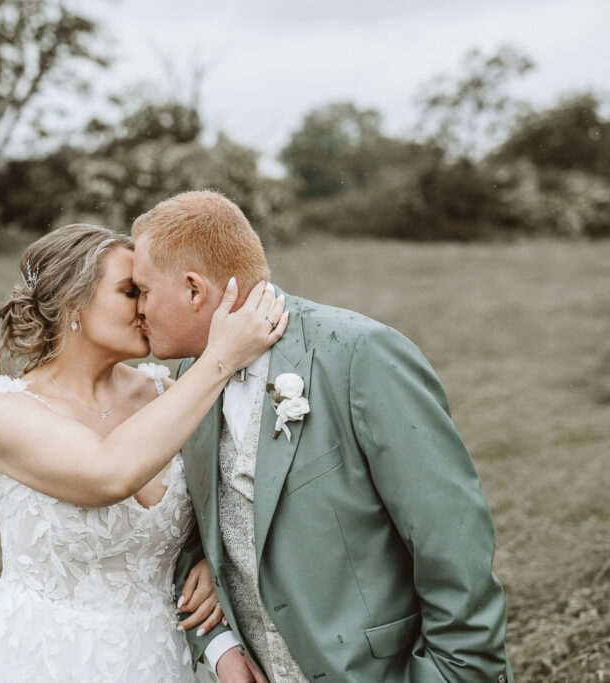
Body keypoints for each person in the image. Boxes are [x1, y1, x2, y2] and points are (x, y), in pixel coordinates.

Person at [130, 190, 513, 683]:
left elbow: (451, 539)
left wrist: (453, 674)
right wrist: (221, 647)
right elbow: (185, 532)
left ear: (193, 290)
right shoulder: (191, 377)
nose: (138, 309)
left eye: (142, 290)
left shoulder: (359, 356)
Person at [0, 223, 289, 682]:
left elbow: (230, 499)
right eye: (131, 291)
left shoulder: (168, 395)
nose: (148, 307)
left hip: (161, 658)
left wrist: (214, 557)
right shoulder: (5, 414)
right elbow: (107, 475)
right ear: (73, 301)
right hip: (45, 656)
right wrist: (220, 358)